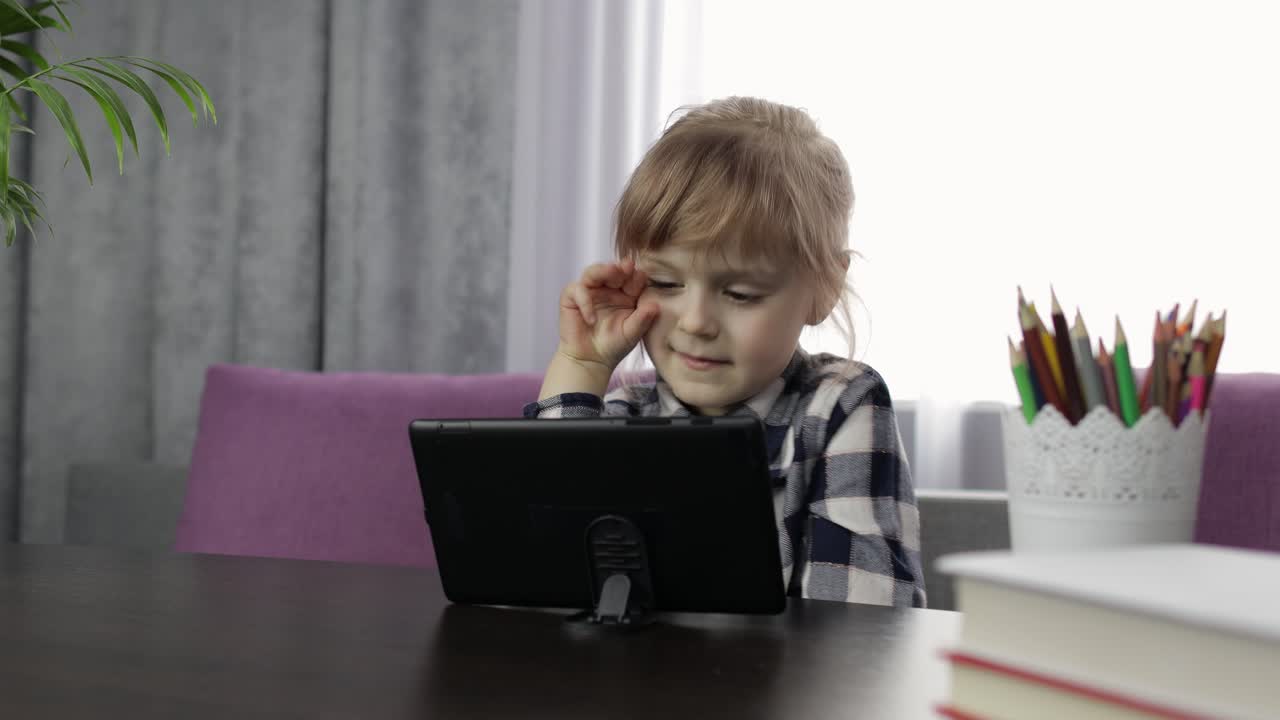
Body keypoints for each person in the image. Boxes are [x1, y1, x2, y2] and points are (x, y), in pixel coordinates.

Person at [523, 96, 925, 608]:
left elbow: (857, 628)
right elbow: (544, 585)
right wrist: (580, 366)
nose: (695, 322)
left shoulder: (839, 408)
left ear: (824, 289)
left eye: (740, 294)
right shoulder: (623, 416)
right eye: (664, 283)